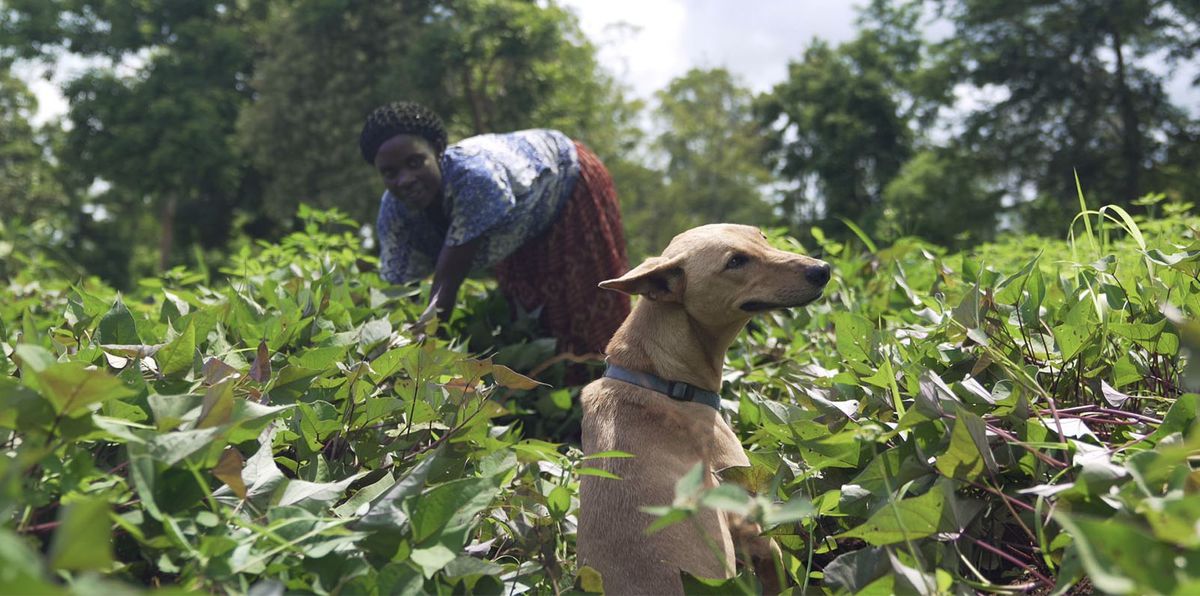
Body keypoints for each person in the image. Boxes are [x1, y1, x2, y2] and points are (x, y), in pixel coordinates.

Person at [360, 101, 631, 357]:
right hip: (520, 225)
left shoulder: (474, 179)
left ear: (438, 149)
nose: (405, 179)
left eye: (415, 162)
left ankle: (617, 386)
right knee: (531, 313)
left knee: (588, 306)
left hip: (568, 181)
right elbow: (397, 290)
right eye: (390, 173)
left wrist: (420, 356)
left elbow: (447, 281)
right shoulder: (393, 210)